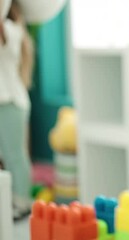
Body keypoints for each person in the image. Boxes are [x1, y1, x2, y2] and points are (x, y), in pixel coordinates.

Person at [0, 0, 34, 220]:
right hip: (8, 102)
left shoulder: (11, 30)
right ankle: (14, 199)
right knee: (9, 155)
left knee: (14, 156)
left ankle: (22, 202)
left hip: (11, 102)